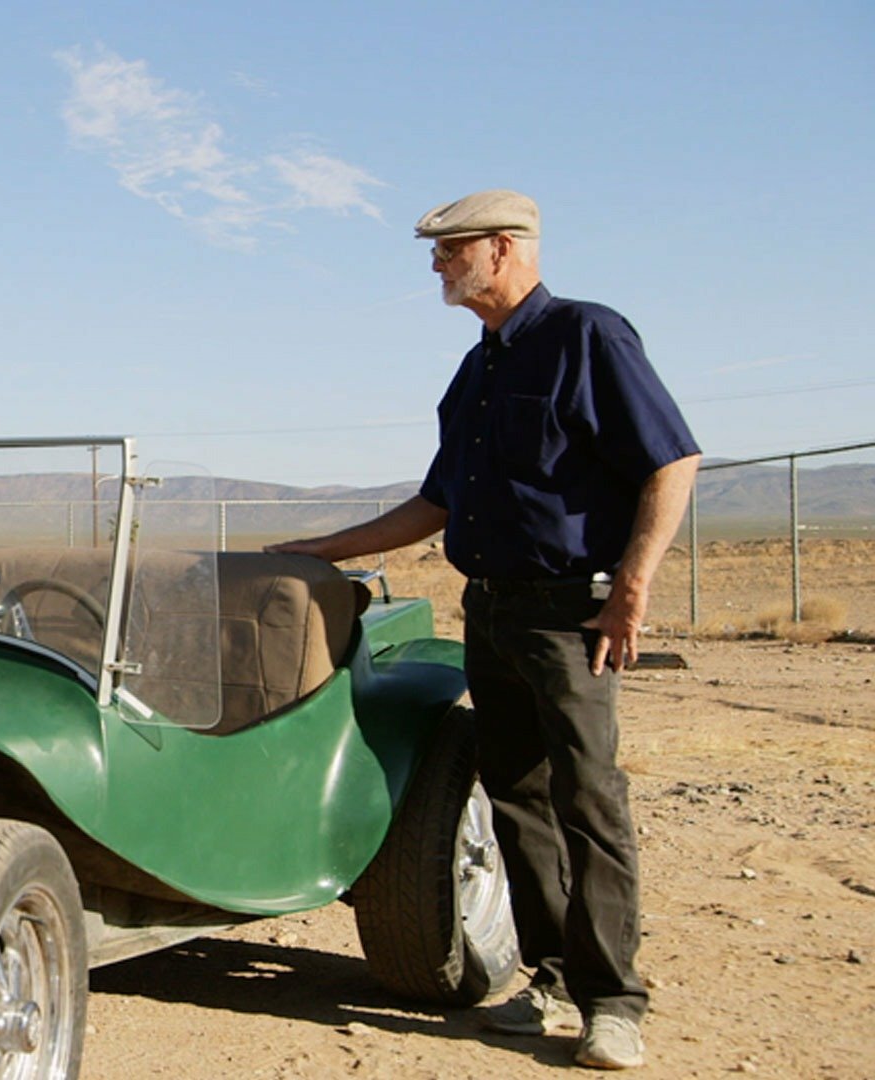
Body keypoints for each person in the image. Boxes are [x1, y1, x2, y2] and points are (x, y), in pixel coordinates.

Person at [267, 190, 699, 1070]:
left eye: (448, 250)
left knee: (589, 800)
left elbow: (672, 459)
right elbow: (437, 503)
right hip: (491, 612)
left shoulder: (588, 336)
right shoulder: (478, 369)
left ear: (503, 248)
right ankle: (546, 979)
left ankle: (613, 1003)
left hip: (570, 610)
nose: (435, 265)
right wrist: (317, 547)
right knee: (517, 797)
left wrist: (632, 591)